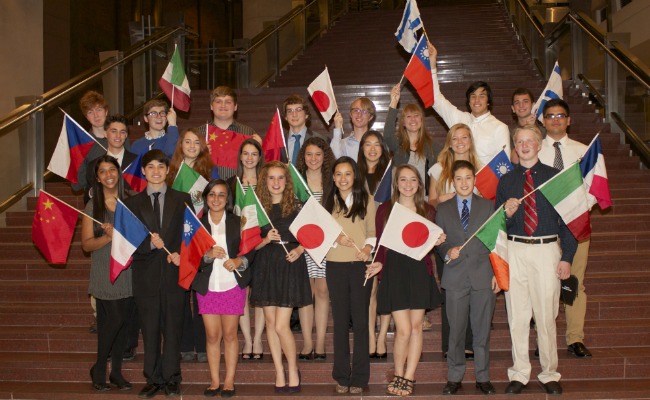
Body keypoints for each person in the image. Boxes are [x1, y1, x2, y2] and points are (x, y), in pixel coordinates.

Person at [497, 125, 577, 395]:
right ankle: (519, 373)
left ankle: (549, 372)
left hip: (546, 250)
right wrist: (507, 215)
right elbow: (498, 226)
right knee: (517, 316)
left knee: (546, 316)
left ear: (539, 144)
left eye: (529, 140)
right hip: (515, 250)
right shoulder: (506, 181)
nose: (524, 145)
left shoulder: (555, 177)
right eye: (519, 141)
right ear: (515, 146)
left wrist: (567, 257)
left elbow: (569, 221)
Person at [124, 149, 192, 399]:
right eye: (151, 167)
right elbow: (128, 242)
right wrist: (150, 245)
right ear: (143, 171)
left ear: (167, 170)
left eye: (161, 167)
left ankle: (172, 377)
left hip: (175, 275)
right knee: (150, 330)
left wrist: (182, 255)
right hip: (146, 278)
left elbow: (191, 236)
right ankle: (153, 379)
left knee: (173, 329)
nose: (156, 171)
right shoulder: (132, 204)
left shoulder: (183, 199)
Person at [376, 164, 445, 396]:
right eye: (403, 179)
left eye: (413, 180)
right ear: (396, 183)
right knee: (403, 329)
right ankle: (398, 373)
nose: (408, 184)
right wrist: (378, 265)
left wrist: (438, 240)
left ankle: (409, 376)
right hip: (394, 271)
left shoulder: (428, 210)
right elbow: (380, 244)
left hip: (418, 271)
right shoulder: (385, 209)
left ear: (419, 184)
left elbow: (430, 242)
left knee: (416, 328)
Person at [436, 160, 500, 395]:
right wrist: (447, 251)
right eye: (459, 178)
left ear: (474, 180)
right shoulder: (443, 209)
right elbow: (439, 242)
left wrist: (497, 273)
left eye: (468, 178)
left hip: (483, 276)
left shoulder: (488, 206)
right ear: (453, 182)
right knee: (456, 331)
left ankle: (483, 377)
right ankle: (455, 377)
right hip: (455, 277)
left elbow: (496, 241)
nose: (464, 183)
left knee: (481, 331)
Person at [249, 161, 312, 393]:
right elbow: (248, 245)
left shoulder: (297, 206)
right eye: (271, 178)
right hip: (266, 265)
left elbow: (314, 234)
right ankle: (279, 371)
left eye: (280, 178)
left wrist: (300, 249)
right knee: (270, 323)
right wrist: (266, 239)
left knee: (281, 325)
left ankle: (293, 368)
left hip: (289, 263)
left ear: (287, 181)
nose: (276, 182)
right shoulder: (256, 208)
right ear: (265, 181)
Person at [191, 179, 256, 398]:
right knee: (212, 336)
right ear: (205, 198)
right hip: (207, 287)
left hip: (232, 286)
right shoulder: (197, 224)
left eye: (221, 195)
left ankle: (229, 381)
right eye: (212, 194)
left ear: (227, 199)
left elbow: (251, 249)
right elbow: (190, 257)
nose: (216, 199)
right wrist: (207, 256)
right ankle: (214, 381)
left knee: (229, 335)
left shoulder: (239, 221)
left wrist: (239, 261)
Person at [538, 98, 592, 358]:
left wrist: (577, 209)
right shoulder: (535, 150)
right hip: (544, 227)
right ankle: (543, 338)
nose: (555, 120)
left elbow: (593, 189)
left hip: (576, 224)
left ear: (569, 120)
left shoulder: (585, 151)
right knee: (544, 284)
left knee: (574, 281)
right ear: (543, 120)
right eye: (550, 116)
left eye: (560, 115)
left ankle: (575, 338)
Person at [324, 156, 382, 394]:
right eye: (338, 174)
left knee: (360, 322)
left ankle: (359, 377)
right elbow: (319, 233)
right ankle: (341, 375)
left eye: (347, 173)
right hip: (335, 265)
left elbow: (372, 232)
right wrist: (336, 238)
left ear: (354, 176)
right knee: (339, 322)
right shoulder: (327, 202)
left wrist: (367, 249)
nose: (343, 178)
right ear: (333, 177)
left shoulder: (367, 200)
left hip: (360, 266)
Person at [427, 123, 481, 360]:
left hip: (474, 239)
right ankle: (450, 344)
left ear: (470, 141)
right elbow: (430, 202)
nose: (460, 142)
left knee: (473, 290)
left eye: (464, 137)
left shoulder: (482, 168)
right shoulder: (439, 168)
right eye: (455, 138)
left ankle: (469, 342)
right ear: (449, 142)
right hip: (447, 239)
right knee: (451, 291)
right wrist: (442, 199)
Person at [165, 128, 219, 363]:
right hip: (178, 237)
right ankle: (185, 343)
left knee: (200, 293)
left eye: (196, 142)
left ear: (202, 147)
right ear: (180, 145)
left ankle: (203, 344)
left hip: (203, 236)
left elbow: (217, 201)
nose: (192, 146)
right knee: (181, 292)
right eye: (187, 142)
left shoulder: (211, 170)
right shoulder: (170, 172)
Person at [82, 155, 133, 392]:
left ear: (118, 172)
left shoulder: (130, 201)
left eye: (111, 169)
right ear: (97, 178)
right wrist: (107, 237)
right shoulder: (93, 207)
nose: (108, 175)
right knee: (114, 320)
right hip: (105, 270)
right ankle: (99, 367)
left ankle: (116, 373)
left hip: (128, 270)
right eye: (102, 171)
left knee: (123, 323)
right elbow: (86, 245)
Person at [428, 43, 510, 166]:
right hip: (457, 176)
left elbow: (504, 165)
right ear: (468, 101)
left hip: (485, 178)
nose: (477, 100)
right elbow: (436, 99)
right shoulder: (459, 119)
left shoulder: (500, 128)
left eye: (482, 96)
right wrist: (432, 65)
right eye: (473, 96)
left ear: (488, 101)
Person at [225, 138, 266, 361]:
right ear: (240, 157)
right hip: (239, 245)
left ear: (259, 158)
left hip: (262, 244)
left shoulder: (267, 181)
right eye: (246, 153)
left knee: (259, 295)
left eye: (254, 154)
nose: (249, 158)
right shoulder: (231, 183)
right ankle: (247, 340)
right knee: (242, 293)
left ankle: (258, 339)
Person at [295, 137, 335, 360]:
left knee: (322, 292)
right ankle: (307, 343)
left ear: (325, 157)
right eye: (309, 154)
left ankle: (320, 342)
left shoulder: (332, 181)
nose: (313, 159)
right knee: (305, 293)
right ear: (303, 156)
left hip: (325, 244)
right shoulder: (296, 181)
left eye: (318, 154)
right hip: (301, 245)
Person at [356, 131, 391, 359]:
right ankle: (370, 335)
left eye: (376, 144)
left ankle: (382, 336)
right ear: (362, 148)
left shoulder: (390, 174)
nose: (372, 148)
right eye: (367, 144)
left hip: (387, 235)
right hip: (365, 238)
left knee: (385, 289)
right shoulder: (355, 175)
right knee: (370, 290)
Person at [197, 86, 261, 179]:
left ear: (235, 107)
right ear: (211, 106)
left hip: (240, 186)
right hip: (209, 186)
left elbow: (259, 165)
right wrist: (200, 155)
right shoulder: (199, 134)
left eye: (228, 102)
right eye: (218, 101)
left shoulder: (248, 133)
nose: (223, 105)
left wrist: (260, 149)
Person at [383, 83, 437, 192]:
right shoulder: (398, 145)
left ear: (421, 120)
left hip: (425, 199)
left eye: (416, 115)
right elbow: (387, 135)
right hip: (401, 198)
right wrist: (394, 102)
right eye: (408, 116)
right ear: (403, 122)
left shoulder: (433, 146)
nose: (413, 119)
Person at [74, 115, 137, 204]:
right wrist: (94, 192)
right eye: (113, 131)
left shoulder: (137, 162)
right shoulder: (93, 165)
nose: (118, 136)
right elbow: (87, 198)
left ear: (126, 135)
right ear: (105, 133)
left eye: (122, 132)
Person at [281, 94, 328, 164]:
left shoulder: (321, 139)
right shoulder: (280, 142)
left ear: (306, 115)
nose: (294, 115)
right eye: (290, 111)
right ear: (285, 117)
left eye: (298, 110)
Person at [510, 88, 546, 163]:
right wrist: (527, 129)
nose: (521, 105)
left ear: (533, 105)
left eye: (525, 101)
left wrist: (532, 129)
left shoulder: (544, 131)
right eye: (517, 103)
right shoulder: (508, 132)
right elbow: (514, 160)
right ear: (513, 108)